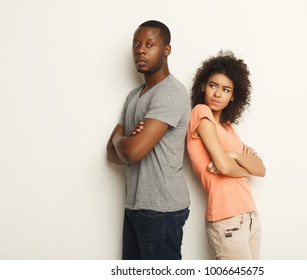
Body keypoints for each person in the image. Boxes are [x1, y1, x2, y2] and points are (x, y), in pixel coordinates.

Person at [106, 20, 191, 260]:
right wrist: (126, 141)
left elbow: (130, 153)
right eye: (136, 44)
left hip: (162, 209)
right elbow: (111, 154)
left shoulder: (170, 92)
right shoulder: (134, 96)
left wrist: (122, 140)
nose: (140, 49)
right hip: (135, 205)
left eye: (150, 44)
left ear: (166, 50)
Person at [186, 50, 266, 260]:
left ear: (233, 96)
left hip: (250, 216)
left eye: (226, 89)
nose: (217, 93)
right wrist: (241, 166)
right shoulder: (200, 113)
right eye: (213, 85)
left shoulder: (227, 128)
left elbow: (261, 169)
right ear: (203, 86)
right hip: (227, 218)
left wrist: (233, 155)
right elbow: (223, 167)